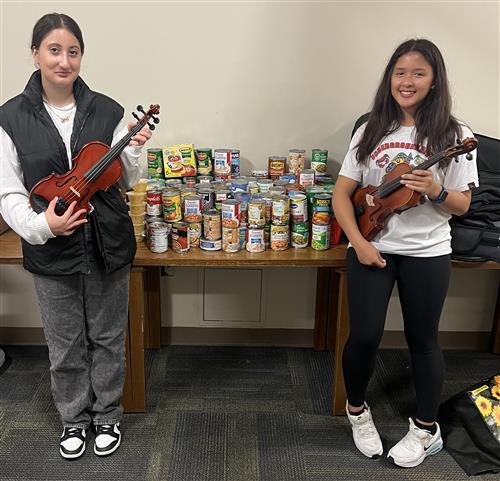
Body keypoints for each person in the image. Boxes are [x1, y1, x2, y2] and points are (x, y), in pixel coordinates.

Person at [0, 13, 152, 459]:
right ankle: (73, 418)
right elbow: (9, 193)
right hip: (52, 248)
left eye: (73, 51)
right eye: (54, 50)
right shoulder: (9, 117)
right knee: (64, 343)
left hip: (107, 241)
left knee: (107, 336)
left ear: (81, 56)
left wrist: (135, 150)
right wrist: (45, 225)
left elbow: (125, 181)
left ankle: (106, 414)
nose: (64, 61)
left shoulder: (107, 110)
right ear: (35, 54)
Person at [332, 38, 478, 468]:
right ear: (389, 78)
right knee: (363, 337)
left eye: (418, 73)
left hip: (428, 251)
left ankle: (424, 429)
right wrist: (358, 243)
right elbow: (344, 196)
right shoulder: (371, 129)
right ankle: (357, 412)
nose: (407, 81)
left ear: (434, 82)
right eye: (400, 72)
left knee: (423, 340)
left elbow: (463, 204)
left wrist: (435, 190)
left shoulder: (456, 135)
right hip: (371, 245)